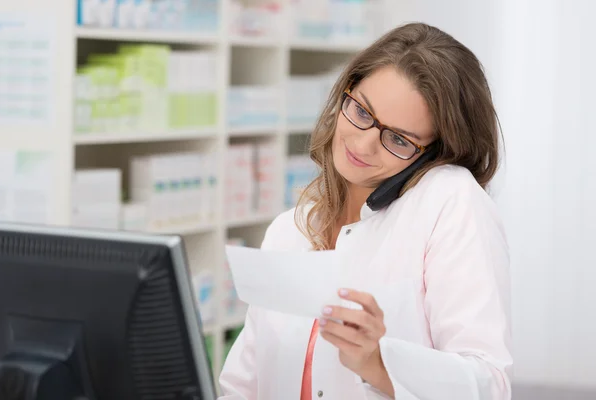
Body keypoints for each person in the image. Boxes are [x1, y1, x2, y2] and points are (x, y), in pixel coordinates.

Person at [219, 22, 512, 400]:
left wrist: (378, 363)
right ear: (346, 91)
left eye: (398, 139)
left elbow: (489, 385)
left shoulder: (449, 202)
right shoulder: (288, 230)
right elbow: (242, 387)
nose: (364, 143)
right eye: (361, 110)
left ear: (436, 152)